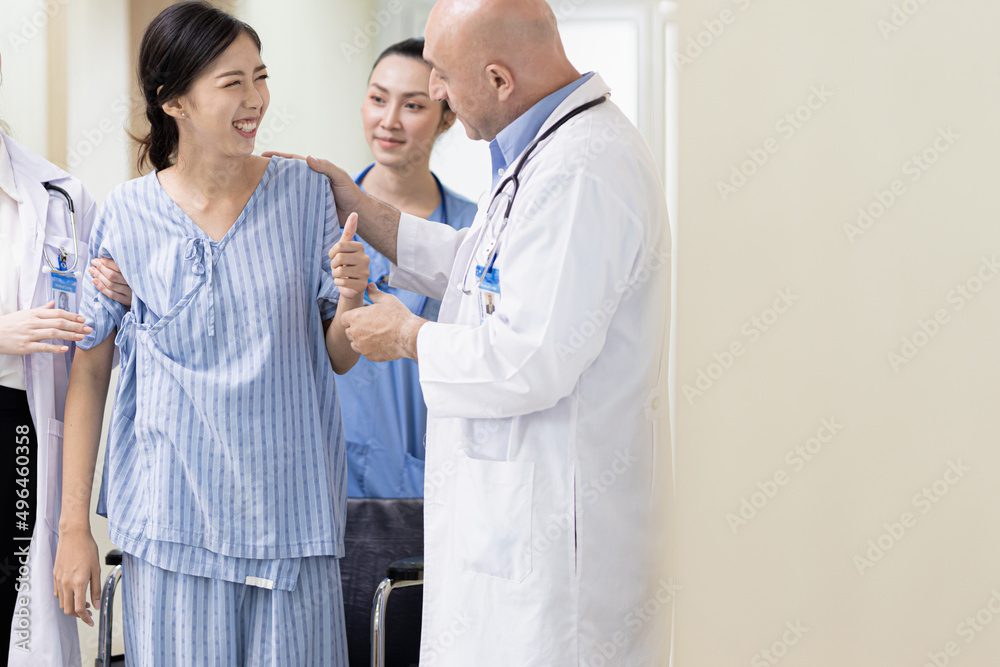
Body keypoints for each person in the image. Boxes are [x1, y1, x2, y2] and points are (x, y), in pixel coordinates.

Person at [286, 0, 672, 664]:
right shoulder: (541, 155)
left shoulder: (583, 170)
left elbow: (530, 359)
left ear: (498, 80)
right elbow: (480, 270)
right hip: (511, 542)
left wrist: (409, 336)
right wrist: (367, 210)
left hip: (552, 566)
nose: (434, 93)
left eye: (440, 76)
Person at [51, 3, 368, 663]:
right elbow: (90, 369)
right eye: (233, 83)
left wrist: (351, 294)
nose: (256, 99)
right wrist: (72, 524)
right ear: (175, 103)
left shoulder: (305, 194)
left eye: (261, 76)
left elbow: (337, 355)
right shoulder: (128, 214)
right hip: (170, 529)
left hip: (291, 524)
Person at [0, 52, 130, 666]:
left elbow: (92, 355)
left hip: (23, 433)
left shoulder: (63, 196)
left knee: (20, 625)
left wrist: (133, 303)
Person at [341, 37, 477, 499]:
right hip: (328, 486)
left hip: (432, 487)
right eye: (378, 99)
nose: (389, 121)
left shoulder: (476, 231)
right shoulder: (318, 218)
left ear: (448, 117)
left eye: (413, 105)